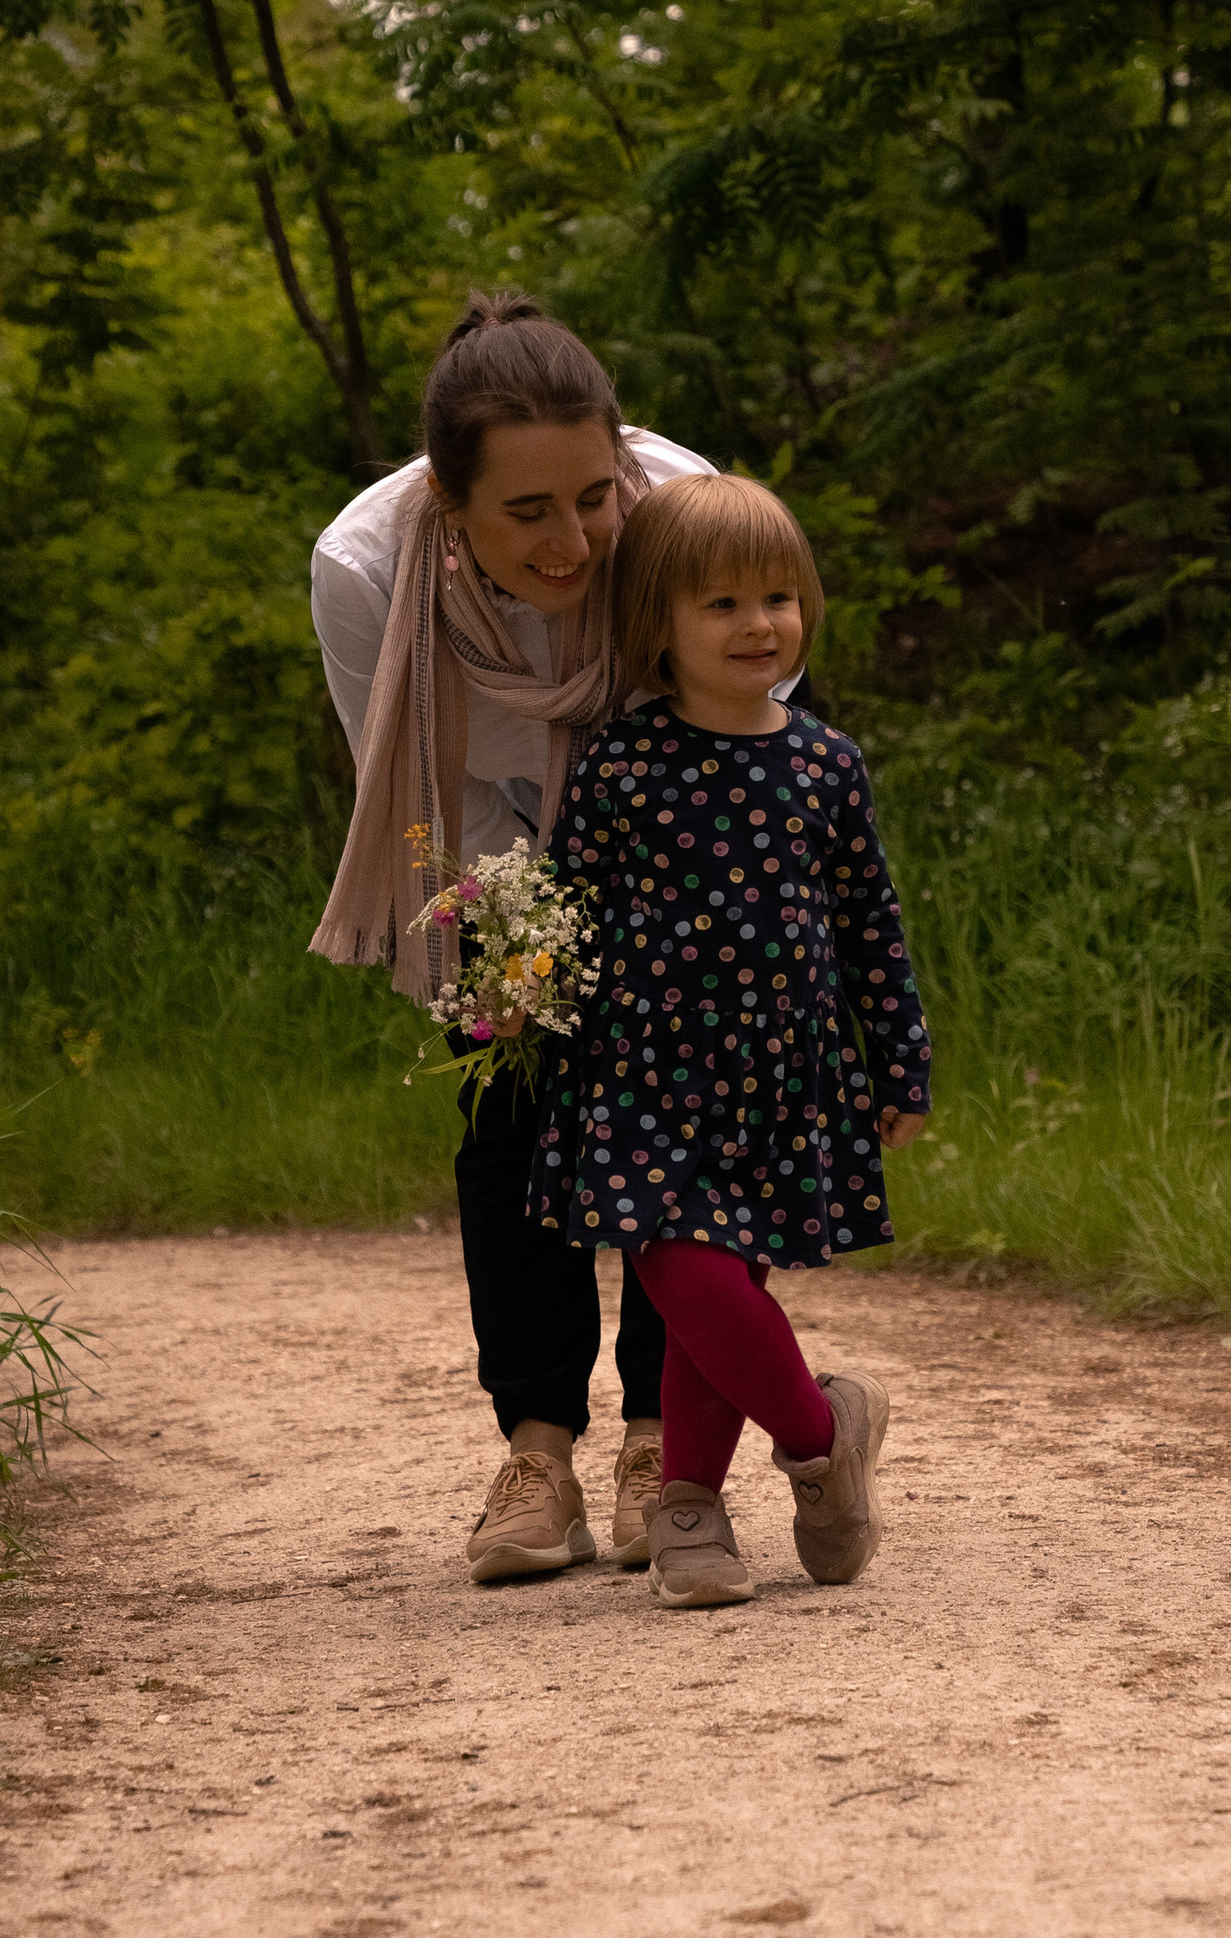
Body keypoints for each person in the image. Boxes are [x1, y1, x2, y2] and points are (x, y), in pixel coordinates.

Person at [310, 294, 729, 1584]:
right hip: (486, 842)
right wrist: (529, 938)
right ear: (449, 498)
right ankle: (538, 1453)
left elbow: (740, 724)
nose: (575, 542)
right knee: (515, 1127)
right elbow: (414, 779)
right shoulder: (366, 569)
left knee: (683, 1132)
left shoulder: (687, 511)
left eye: (595, 499)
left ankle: (665, 1445)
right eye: (527, 512)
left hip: (684, 822)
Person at [530, 471, 932, 1609]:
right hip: (641, 1070)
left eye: (778, 598)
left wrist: (898, 1060)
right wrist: (520, 987)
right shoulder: (619, 765)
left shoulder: (822, 763)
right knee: (676, 1264)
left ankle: (691, 1506)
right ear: (656, 622)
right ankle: (821, 1434)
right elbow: (573, 910)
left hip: (777, 1073)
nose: (758, 625)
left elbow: (869, 924)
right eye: (721, 605)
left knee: (715, 1284)